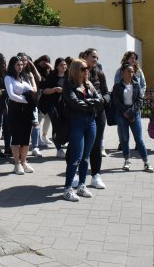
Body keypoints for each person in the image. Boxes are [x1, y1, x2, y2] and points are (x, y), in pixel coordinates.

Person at [62, 59, 100, 201]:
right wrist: (91, 104)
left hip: (90, 122)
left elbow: (100, 99)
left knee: (86, 157)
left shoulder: (89, 84)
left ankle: (82, 185)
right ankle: (67, 189)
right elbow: (74, 103)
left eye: (87, 69)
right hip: (76, 122)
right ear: (76, 69)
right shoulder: (68, 84)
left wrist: (88, 103)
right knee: (75, 157)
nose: (86, 71)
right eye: (83, 68)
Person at [113, 63, 154, 173]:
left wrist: (131, 113)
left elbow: (139, 101)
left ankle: (146, 162)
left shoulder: (136, 85)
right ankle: (127, 161)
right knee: (124, 139)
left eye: (132, 72)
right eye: (128, 71)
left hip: (134, 113)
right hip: (122, 114)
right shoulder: (117, 86)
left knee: (139, 139)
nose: (131, 74)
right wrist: (125, 112)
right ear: (122, 73)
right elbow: (116, 101)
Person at [82, 48, 108, 186]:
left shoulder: (100, 73)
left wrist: (103, 100)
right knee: (80, 145)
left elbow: (106, 92)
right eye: (93, 57)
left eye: (97, 58)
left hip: (99, 114)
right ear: (85, 56)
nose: (95, 60)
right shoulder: (77, 72)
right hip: (82, 114)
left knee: (97, 145)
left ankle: (96, 175)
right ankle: (75, 175)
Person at [5, 56, 35, 175]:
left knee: (26, 137)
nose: (20, 67)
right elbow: (11, 95)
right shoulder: (9, 78)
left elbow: (32, 90)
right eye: (18, 64)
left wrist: (29, 99)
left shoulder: (24, 77)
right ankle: (17, 164)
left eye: (22, 64)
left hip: (26, 110)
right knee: (16, 137)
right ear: (12, 65)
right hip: (15, 110)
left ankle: (24, 162)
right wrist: (26, 99)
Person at [113, 51, 147, 151]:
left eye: (135, 58)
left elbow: (143, 85)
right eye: (131, 58)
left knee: (137, 123)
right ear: (126, 59)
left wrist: (141, 95)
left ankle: (138, 142)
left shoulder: (138, 71)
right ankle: (122, 142)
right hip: (123, 104)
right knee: (122, 125)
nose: (134, 60)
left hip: (135, 103)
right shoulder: (120, 71)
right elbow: (116, 85)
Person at [40, 58, 68, 158]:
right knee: (56, 125)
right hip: (52, 105)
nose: (64, 66)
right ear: (57, 66)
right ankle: (59, 149)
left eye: (65, 65)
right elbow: (44, 91)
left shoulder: (68, 77)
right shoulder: (52, 77)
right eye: (61, 65)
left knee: (64, 125)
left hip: (64, 106)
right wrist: (54, 89)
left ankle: (63, 143)